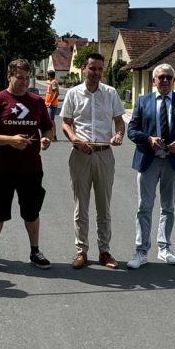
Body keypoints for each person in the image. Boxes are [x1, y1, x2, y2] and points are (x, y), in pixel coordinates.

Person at [0, 59, 54, 274]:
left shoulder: (37, 102)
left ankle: (35, 251)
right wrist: (9, 140)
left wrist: (46, 139)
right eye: (19, 77)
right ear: (9, 76)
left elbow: (48, 128)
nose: (24, 82)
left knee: (31, 212)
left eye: (27, 78)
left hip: (31, 169)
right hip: (1, 169)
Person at [126, 64, 175, 269]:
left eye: (169, 77)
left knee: (168, 207)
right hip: (149, 160)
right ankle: (141, 251)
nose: (165, 80)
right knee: (144, 206)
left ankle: (164, 248)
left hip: (172, 161)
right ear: (154, 80)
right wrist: (148, 139)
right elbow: (132, 130)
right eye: (161, 77)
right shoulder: (143, 101)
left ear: (174, 81)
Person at [61, 52, 125, 269]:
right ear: (84, 69)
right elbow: (66, 123)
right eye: (92, 68)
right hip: (80, 155)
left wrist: (118, 135)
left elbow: (119, 122)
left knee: (104, 206)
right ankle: (81, 251)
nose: (96, 72)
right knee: (81, 206)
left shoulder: (111, 93)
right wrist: (73, 138)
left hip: (105, 154)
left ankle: (105, 251)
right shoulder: (73, 94)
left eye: (99, 69)